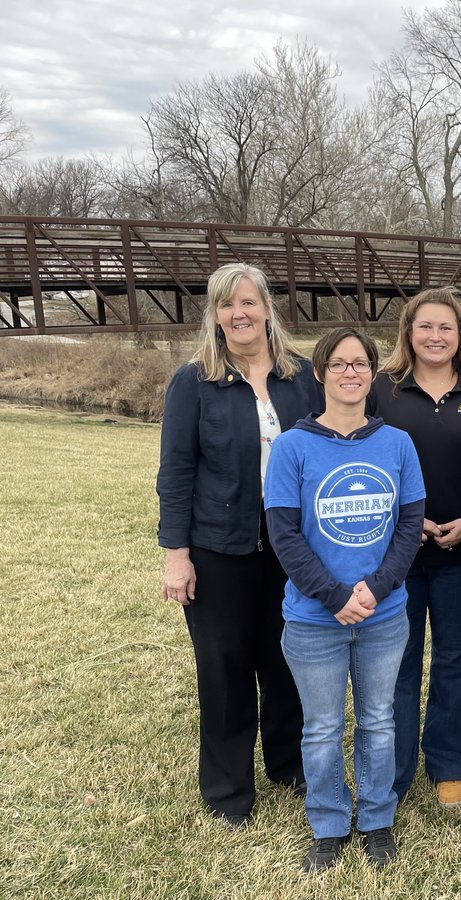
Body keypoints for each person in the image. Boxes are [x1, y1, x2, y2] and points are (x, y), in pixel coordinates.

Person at [157, 262, 316, 829]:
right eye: (227, 305)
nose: (239, 313)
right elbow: (176, 471)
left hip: (291, 551)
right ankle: (227, 788)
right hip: (218, 551)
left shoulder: (302, 379)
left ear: (268, 308)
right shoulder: (193, 381)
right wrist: (176, 555)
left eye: (249, 302)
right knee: (223, 670)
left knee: (286, 660)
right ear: (216, 315)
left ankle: (288, 763)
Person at [265, 327, 426, 872]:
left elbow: (409, 526)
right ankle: (329, 823)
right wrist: (334, 596)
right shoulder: (292, 446)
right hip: (314, 617)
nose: (351, 372)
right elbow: (283, 535)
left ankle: (377, 820)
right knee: (323, 727)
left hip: (384, 614)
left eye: (360, 363)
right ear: (320, 373)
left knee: (380, 721)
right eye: (339, 363)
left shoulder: (397, 443)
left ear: (372, 373)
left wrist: (376, 588)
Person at [368, 287, 461, 811]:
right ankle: (394, 770)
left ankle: (450, 763)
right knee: (397, 664)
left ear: (460, 335)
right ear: (408, 332)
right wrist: (404, 519)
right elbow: (359, 464)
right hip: (394, 557)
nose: (435, 336)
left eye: (445, 327)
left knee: (455, 658)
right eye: (425, 326)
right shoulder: (382, 390)